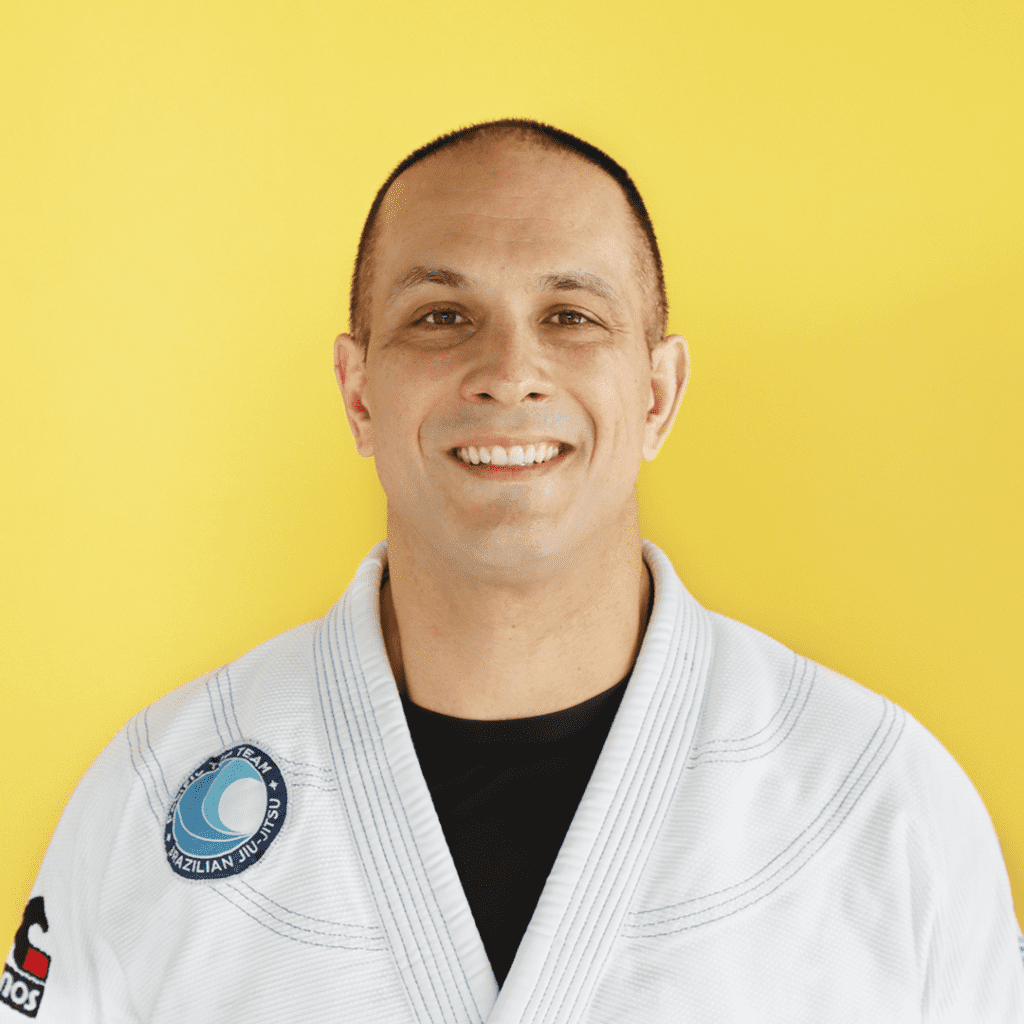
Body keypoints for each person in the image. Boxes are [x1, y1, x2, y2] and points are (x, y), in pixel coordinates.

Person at [3, 119, 1022, 1023]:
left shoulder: (880, 802)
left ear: (658, 395)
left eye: (571, 315)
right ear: (358, 394)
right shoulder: (154, 795)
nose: (508, 373)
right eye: (441, 315)